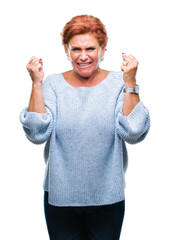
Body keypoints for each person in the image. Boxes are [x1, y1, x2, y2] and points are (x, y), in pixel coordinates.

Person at [19, 15, 150, 240]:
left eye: (90, 48)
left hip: (107, 198)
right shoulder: (52, 84)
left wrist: (130, 82)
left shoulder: (119, 83)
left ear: (103, 49)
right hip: (60, 198)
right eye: (76, 49)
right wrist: (36, 84)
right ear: (67, 50)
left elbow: (134, 131)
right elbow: (37, 133)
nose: (83, 56)